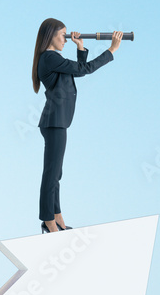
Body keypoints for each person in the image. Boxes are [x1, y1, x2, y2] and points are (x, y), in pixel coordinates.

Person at [32, 19, 122, 233]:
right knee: (51, 174)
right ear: (50, 35)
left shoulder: (53, 58)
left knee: (56, 173)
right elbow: (85, 69)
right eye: (62, 35)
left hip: (58, 121)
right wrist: (111, 50)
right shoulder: (49, 57)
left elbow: (78, 71)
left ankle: (57, 217)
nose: (65, 39)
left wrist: (81, 48)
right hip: (54, 122)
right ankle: (48, 221)